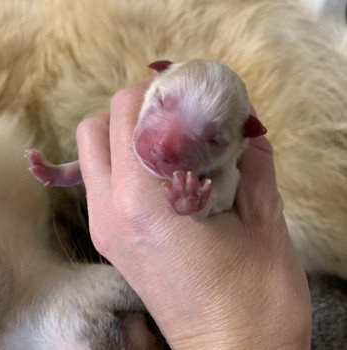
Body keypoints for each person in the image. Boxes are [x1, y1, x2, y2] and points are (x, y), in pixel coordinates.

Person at [76, 79, 312, 349]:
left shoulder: (226, 174)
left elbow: (221, 196)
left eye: (214, 140)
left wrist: (218, 334)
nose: (165, 144)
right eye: (162, 103)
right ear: (160, 75)